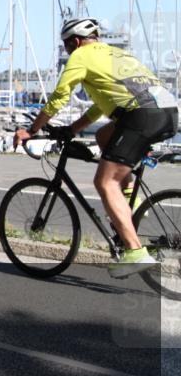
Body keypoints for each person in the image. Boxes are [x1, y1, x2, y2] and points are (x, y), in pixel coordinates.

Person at [13, 17, 178, 278]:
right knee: (103, 137)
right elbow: (101, 105)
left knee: (104, 182)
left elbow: (60, 96)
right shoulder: (114, 53)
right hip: (167, 113)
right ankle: (128, 205)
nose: (67, 51)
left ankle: (135, 252)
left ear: (75, 42)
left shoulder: (81, 56)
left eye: (67, 46)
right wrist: (73, 129)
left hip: (140, 116)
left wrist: (32, 130)